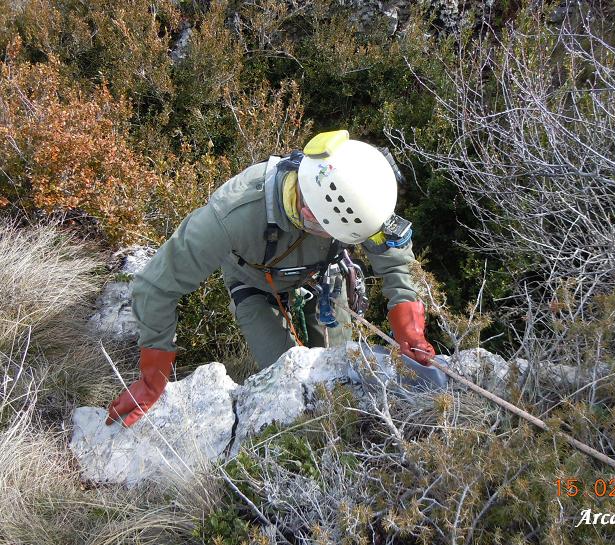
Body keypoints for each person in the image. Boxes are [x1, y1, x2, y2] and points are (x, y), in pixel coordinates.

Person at [106, 130, 436, 427]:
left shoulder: (358, 190)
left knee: (342, 372)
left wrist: (410, 330)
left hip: (323, 278)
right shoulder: (233, 214)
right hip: (255, 284)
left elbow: (397, 262)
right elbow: (156, 285)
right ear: (309, 214)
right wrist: (152, 378)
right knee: (287, 383)